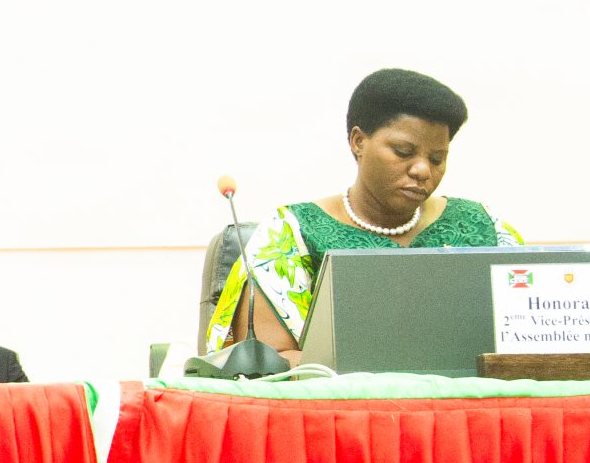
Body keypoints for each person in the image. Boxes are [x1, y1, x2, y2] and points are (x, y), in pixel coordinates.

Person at [206, 68, 521, 361]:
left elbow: (530, 344)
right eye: (403, 152)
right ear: (358, 142)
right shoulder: (291, 233)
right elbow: (270, 361)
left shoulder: (483, 227)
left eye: (437, 158)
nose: (423, 170)